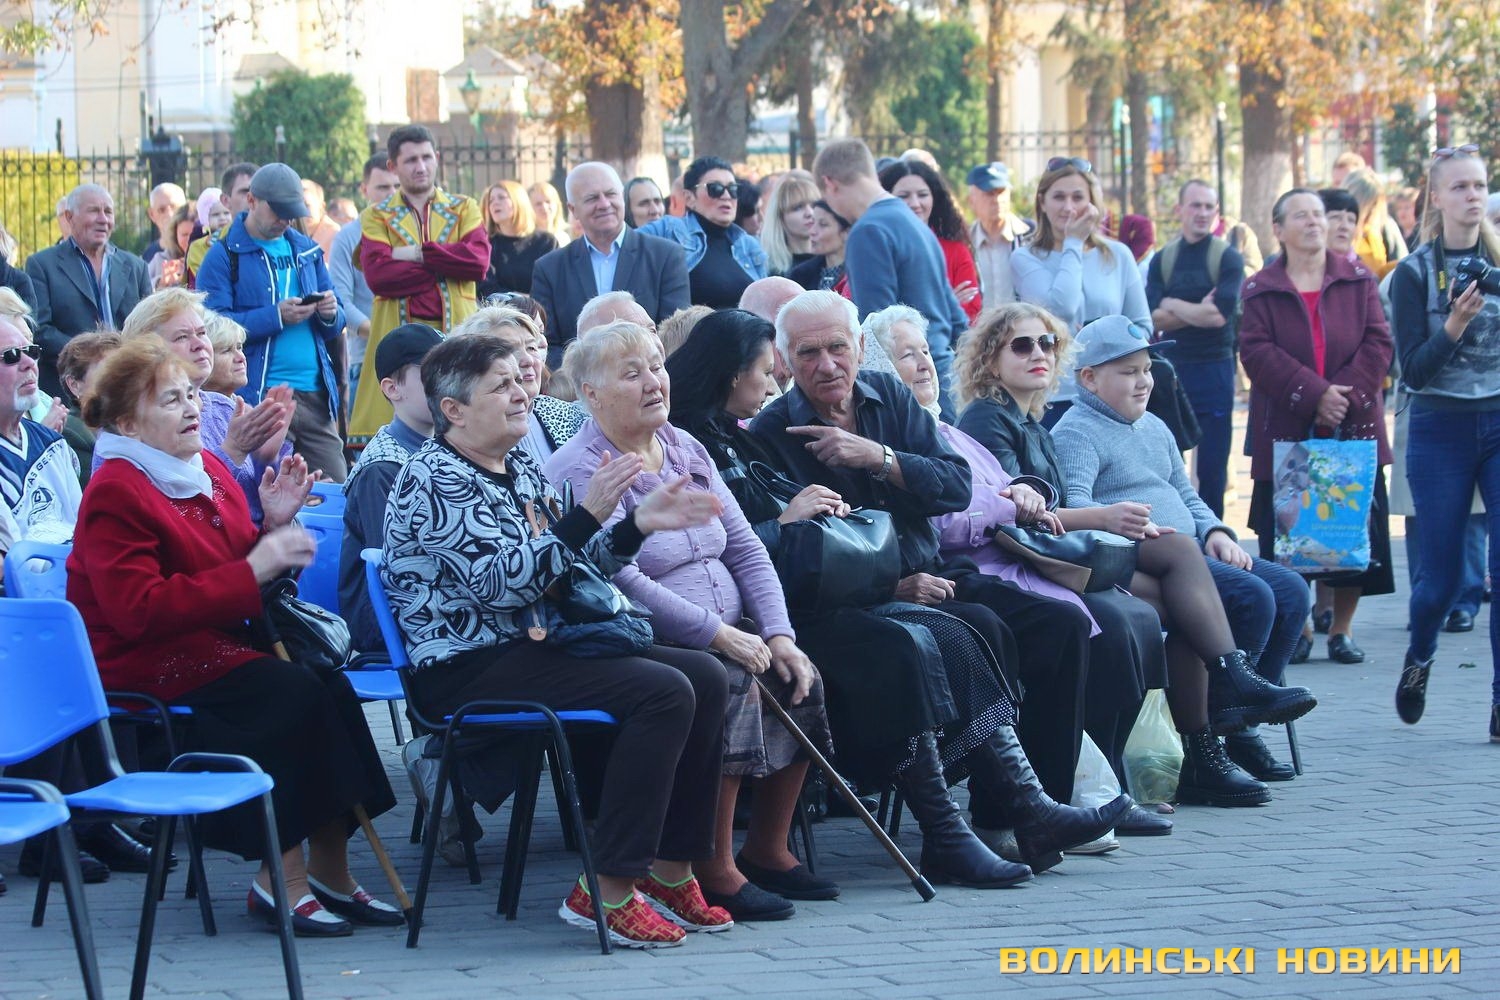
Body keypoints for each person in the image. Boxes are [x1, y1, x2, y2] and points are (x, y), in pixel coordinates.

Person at [750, 290, 1129, 877]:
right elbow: (796, 558)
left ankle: (1035, 816)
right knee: (981, 629)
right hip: (867, 598)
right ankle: (1008, 814)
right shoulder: (773, 431)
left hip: (938, 573)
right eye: (808, 353)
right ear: (783, 360)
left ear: (859, 348)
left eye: (837, 348)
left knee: (1059, 624)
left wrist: (881, 458)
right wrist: (891, 587)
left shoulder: (889, 396)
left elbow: (954, 487)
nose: (826, 365)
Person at [382, 332, 734, 948]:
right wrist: (587, 514)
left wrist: (634, 526)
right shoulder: (433, 478)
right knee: (663, 691)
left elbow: (572, 568)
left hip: (536, 644)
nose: (522, 394)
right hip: (469, 663)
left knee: (705, 675)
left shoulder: (517, 466)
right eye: (501, 387)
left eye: (520, 381)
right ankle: (608, 887)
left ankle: (672, 869)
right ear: (453, 409)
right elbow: (501, 586)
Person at [68, 337, 399, 936]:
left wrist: (273, 523)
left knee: (328, 684)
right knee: (286, 694)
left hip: (212, 639)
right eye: (171, 400)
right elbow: (137, 610)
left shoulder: (206, 469)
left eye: (191, 394)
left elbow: (240, 567)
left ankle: (331, 867)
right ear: (128, 423)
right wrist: (254, 567)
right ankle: (280, 878)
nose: (192, 408)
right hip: (145, 658)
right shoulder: (116, 487)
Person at [545, 320, 837, 921]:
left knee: (798, 674)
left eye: (657, 366)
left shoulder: (684, 446)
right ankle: (710, 865)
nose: (655, 382)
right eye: (632, 374)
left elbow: (746, 549)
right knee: (729, 680)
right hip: (642, 636)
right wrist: (718, 634)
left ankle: (767, 849)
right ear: (591, 395)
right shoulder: (584, 467)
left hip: (729, 628)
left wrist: (778, 634)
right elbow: (618, 577)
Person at [954, 304, 1289, 797]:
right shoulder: (989, 418)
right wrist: (1104, 518)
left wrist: (1213, 528)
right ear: (990, 359)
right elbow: (1013, 514)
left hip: (1057, 555)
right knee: (1168, 582)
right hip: (1023, 565)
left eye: (1048, 343)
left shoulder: (1032, 421)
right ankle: (1215, 705)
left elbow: (1179, 492)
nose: (1039, 354)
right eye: (1022, 346)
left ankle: (1201, 746)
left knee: (1195, 602)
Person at [866, 304, 1170, 837]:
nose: (924, 362)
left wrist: (1026, 497)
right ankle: (1046, 805)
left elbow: (1017, 494)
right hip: (976, 567)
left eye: (925, 350)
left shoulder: (953, 430)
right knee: (1086, 624)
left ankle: (1090, 789)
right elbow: (953, 519)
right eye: (905, 354)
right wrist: (1018, 504)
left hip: (1012, 562)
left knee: (1137, 613)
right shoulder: (922, 431)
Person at [1049, 315, 1320, 786]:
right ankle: (1218, 724)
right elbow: (1077, 503)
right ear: (1088, 379)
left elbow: (1187, 493)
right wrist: (1132, 523)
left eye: (1146, 369)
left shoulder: (1155, 426)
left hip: (1194, 548)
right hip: (1152, 554)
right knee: (1253, 597)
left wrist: (1216, 530)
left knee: (1292, 590)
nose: (1143, 381)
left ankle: (1242, 720)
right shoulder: (1077, 431)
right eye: (1128, 372)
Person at [1240, 189, 1395, 667]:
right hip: (1289, 430)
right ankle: (1301, 627)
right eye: (1301, 215)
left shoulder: (1358, 278)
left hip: (1352, 426)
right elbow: (1256, 351)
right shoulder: (1260, 287)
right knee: (1289, 535)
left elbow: (1378, 342)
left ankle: (1341, 630)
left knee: (1353, 527)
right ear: (1278, 229)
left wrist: (1341, 397)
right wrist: (1314, 395)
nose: (1314, 222)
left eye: (1318, 215)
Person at [1388, 144, 1500, 738]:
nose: (1472, 195)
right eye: (1459, 186)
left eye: (1479, 185)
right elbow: (1413, 371)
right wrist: (1455, 322)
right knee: (1442, 581)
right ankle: (1420, 656)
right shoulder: (1413, 273)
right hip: (1440, 428)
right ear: (1437, 197)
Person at [196, 163, 348, 481]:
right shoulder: (223, 255)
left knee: (335, 489)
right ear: (251, 201)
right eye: (278, 211)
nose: (286, 220)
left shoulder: (307, 249)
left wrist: (330, 312)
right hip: (258, 396)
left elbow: (337, 320)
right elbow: (212, 328)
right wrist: (276, 316)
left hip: (315, 397)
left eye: (292, 212)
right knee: (264, 489)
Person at [813, 139, 969, 415]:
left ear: (830, 184)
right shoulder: (914, 223)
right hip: (945, 375)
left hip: (910, 388)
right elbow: (955, 315)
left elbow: (877, 329)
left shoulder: (868, 231)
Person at [117, 287, 294, 521]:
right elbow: (186, 516)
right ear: (145, 353)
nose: (199, 344)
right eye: (182, 337)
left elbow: (255, 506)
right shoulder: (137, 426)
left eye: (202, 333)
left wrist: (266, 459)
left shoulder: (225, 408)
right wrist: (233, 451)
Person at [1011, 158, 1150, 426]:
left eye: (1077, 197)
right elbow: (1061, 308)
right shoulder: (1026, 257)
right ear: (1042, 202)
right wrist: (1073, 242)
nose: (1068, 207)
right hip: (1055, 398)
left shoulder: (1118, 255)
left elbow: (1141, 326)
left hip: (1114, 398)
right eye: (1059, 197)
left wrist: (1109, 347)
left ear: (1092, 203)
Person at [1146, 179, 1246, 519]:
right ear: (1180, 210)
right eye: (1195, 205)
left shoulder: (1228, 258)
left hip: (1216, 370)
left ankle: (1214, 535)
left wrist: (1172, 304)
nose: (1202, 213)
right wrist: (1197, 310)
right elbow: (1152, 316)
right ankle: (1177, 533)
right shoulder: (1163, 259)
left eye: (1209, 207)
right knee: (1168, 465)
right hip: (1174, 372)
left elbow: (1219, 316)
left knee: (1213, 470)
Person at [338, 323, 442, 653]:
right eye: (431, 373)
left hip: (434, 604)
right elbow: (397, 573)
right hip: (387, 623)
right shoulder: (383, 468)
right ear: (392, 388)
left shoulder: (441, 449)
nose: (446, 383)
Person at [531, 162, 690, 366]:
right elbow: (545, 344)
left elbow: (674, 336)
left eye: (611, 194)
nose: (604, 204)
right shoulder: (550, 269)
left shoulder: (665, 256)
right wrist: (581, 374)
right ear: (573, 209)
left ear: (622, 197)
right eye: (592, 198)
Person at [25, 183, 152, 396]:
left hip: (129, 386)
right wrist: (91, 358)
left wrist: (122, 359)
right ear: (69, 217)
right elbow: (39, 330)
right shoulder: (42, 265)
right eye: (93, 211)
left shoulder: (136, 267)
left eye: (108, 212)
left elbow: (149, 327)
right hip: (69, 389)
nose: (103, 219)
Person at [451, 305, 582, 462]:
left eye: (531, 348)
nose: (528, 360)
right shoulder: (469, 441)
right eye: (509, 351)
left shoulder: (569, 415)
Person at [640, 156, 769, 309]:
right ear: (689, 198)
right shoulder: (668, 229)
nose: (726, 196)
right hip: (691, 324)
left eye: (733, 189)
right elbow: (627, 244)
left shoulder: (749, 245)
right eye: (715, 188)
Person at [0, 315, 82, 548]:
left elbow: (84, 531)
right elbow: (13, 560)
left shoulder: (52, 442)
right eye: (11, 356)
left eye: (31, 351)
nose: (29, 363)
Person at [329, 155, 401, 404]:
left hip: (423, 358)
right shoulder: (348, 237)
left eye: (397, 186)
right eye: (383, 187)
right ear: (364, 189)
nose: (392, 194)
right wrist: (384, 333)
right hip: (368, 360)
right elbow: (340, 301)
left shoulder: (422, 231)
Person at [879, 158, 982, 323]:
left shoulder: (957, 252)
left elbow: (971, 313)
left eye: (923, 195)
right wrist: (947, 304)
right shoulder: (877, 252)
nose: (915, 203)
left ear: (934, 198)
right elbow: (877, 314)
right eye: (904, 196)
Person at [55, 330, 122, 480]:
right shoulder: (72, 433)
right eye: (107, 373)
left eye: (122, 370)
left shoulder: (134, 421)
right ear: (74, 385)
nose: (119, 380)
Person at [476, 180, 558, 299]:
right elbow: (486, 289)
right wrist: (523, 300)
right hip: (499, 310)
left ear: (518, 201)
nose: (495, 203)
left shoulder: (546, 241)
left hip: (542, 309)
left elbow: (554, 284)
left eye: (501, 197)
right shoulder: (486, 245)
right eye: (491, 200)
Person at [965, 162, 1033, 305]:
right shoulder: (964, 242)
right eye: (989, 193)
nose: (996, 200)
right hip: (980, 319)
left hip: (1022, 319)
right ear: (971, 201)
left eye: (1001, 192)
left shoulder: (1031, 236)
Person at [185, 163, 258, 286]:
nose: (252, 198)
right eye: (245, 191)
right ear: (225, 200)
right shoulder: (202, 249)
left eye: (258, 191)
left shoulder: (285, 240)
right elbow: (208, 292)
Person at [1341, 168, 1409, 279]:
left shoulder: (1385, 227)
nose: (1373, 211)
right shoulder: (1335, 230)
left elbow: (1404, 268)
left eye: (1376, 204)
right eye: (1369, 205)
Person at [760, 171, 820, 277]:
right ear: (780, 217)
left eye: (814, 205)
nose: (809, 213)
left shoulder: (832, 262)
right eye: (798, 207)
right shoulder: (773, 271)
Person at [786, 201, 851, 295]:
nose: (812, 231)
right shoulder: (800, 275)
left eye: (823, 224)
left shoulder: (859, 273)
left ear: (846, 233)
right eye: (812, 223)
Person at [147, 204, 196, 291]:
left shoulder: (212, 257)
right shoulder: (160, 260)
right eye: (184, 234)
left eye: (194, 234)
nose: (189, 240)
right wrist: (160, 283)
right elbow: (140, 287)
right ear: (175, 235)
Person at [142, 183, 187, 267]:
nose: (169, 214)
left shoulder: (200, 249)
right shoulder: (148, 257)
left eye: (175, 207)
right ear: (152, 215)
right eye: (162, 210)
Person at [299, 180, 341, 256]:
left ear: (322, 207)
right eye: (298, 206)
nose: (302, 211)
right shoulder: (291, 232)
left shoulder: (335, 235)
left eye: (307, 205)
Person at [530, 181, 572, 248]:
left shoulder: (565, 237)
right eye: (538, 204)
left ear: (557, 204)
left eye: (548, 202)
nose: (544, 207)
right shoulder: (527, 240)